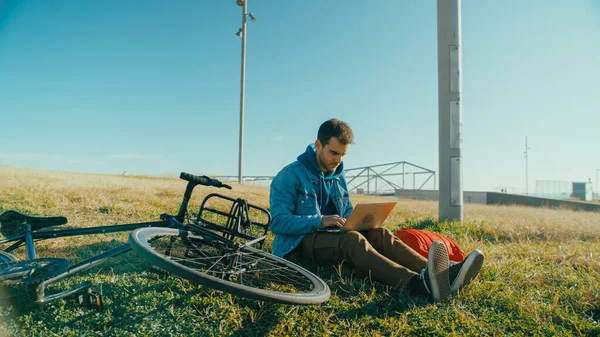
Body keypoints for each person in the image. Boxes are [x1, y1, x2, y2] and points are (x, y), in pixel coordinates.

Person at [269, 118, 484, 302]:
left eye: (343, 154)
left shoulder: (338, 175)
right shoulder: (289, 175)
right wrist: (320, 220)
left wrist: (360, 220)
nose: (338, 160)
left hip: (331, 235)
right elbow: (277, 222)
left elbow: (347, 212)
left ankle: (441, 274)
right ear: (318, 144)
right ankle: (416, 284)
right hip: (300, 242)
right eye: (334, 153)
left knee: (379, 233)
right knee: (352, 241)